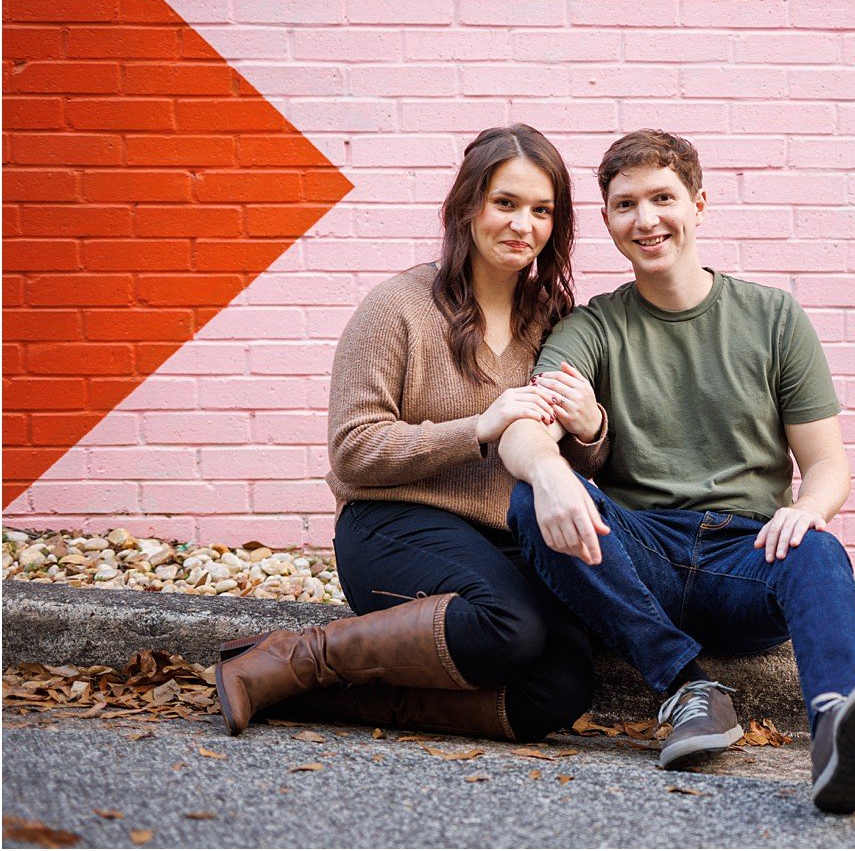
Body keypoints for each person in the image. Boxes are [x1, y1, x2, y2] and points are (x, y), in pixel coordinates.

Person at [498, 128, 855, 815]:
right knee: (530, 498)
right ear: (608, 221)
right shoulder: (592, 327)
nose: (646, 219)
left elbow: (827, 463)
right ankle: (687, 686)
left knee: (817, 547)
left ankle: (839, 732)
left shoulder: (773, 317)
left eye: (663, 197)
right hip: (640, 557)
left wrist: (809, 509)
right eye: (626, 204)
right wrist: (548, 471)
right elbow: (523, 427)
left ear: (698, 204)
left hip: (746, 555)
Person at [214, 124, 609, 743]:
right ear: (467, 205)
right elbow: (353, 450)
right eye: (505, 204)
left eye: (542, 211)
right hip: (390, 523)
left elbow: (574, 461)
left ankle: (294, 688)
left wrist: (590, 431)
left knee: (563, 683)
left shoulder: (552, 320)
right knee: (510, 626)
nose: (522, 225)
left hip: (504, 540)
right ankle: (300, 654)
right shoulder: (395, 307)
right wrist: (477, 427)